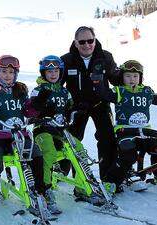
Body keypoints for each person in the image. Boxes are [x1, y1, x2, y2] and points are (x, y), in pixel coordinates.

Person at [0, 55, 50, 225]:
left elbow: (28, 111)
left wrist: (37, 104)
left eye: (11, 72)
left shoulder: (20, 91)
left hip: (20, 134)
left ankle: (40, 193)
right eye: (3, 71)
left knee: (36, 154)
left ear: (16, 74)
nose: (7, 75)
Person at [91, 60, 157, 191]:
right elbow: (102, 93)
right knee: (129, 156)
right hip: (125, 132)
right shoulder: (119, 92)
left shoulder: (146, 92)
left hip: (145, 132)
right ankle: (110, 182)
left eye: (135, 76)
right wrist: (97, 78)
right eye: (127, 76)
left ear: (140, 78)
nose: (131, 79)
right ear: (122, 77)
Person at [60, 26, 120, 188]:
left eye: (90, 40)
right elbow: (56, 83)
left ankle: (108, 179)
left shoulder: (105, 57)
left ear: (95, 39)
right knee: (71, 140)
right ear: (76, 42)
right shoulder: (66, 60)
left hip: (100, 104)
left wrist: (131, 79)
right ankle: (63, 173)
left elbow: (116, 79)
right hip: (77, 106)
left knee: (107, 138)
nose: (87, 45)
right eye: (82, 41)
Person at [30, 55, 76, 214]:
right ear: (43, 73)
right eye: (49, 71)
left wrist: (75, 110)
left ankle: (85, 186)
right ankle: (45, 190)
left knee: (79, 148)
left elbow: (70, 107)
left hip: (60, 130)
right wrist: (42, 107)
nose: (53, 74)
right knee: (48, 153)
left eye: (56, 70)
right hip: (42, 129)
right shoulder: (38, 90)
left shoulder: (64, 91)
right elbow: (32, 109)